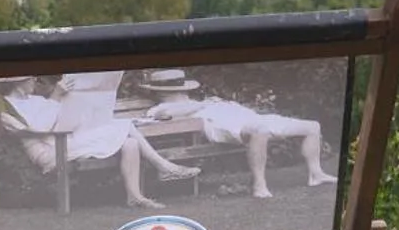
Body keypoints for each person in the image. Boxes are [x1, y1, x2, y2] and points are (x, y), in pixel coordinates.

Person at [0, 73, 200, 210]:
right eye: (31, 79)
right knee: (125, 125)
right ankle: (163, 166)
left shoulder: (36, 101)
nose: (35, 82)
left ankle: (134, 196)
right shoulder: (7, 109)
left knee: (130, 143)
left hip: (68, 141)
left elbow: (57, 118)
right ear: (18, 82)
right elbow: (39, 128)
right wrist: (57, 96)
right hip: (50, 151)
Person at [137, 68, 336, 199]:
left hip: (248, 117)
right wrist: (203, 104)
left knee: (312, 126)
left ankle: (316, 174)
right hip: (219, 124)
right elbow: (165, 114)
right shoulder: (160, 107)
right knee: (260, 130)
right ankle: (259, 185)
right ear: (161, 92)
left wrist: (208, 102)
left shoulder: (204, 101)